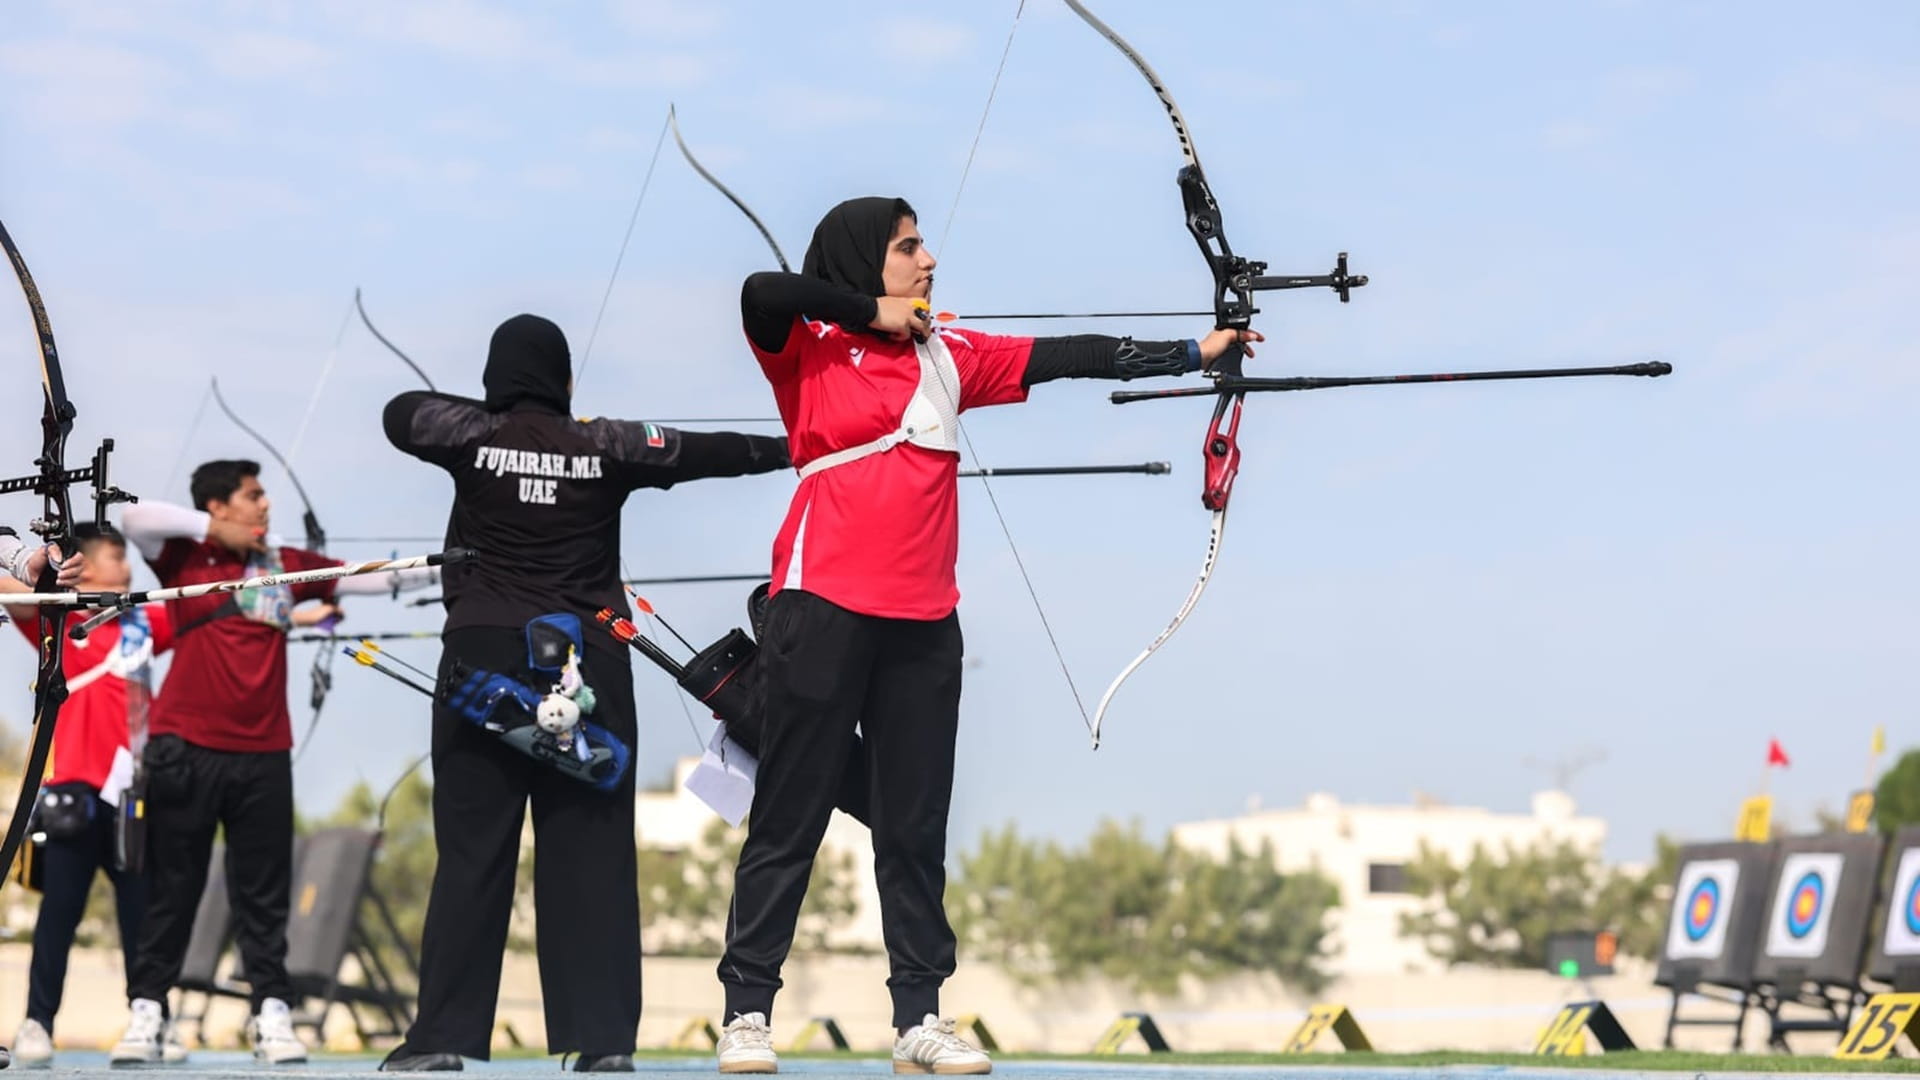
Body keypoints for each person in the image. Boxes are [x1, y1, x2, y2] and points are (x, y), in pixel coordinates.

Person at [712, 197, 1259, 1075]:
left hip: (925, 621)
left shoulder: (948, 353)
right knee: (791, 812)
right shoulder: (809, 349)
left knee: (913, 824)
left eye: (923, 245)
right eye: (908, 247)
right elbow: (760, 288)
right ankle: (746, 1012)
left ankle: (919, 1018)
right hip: (821, 606)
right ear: (866, 264)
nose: (928, 260)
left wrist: (1197, 351)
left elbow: (1073, 356)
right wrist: (868, 312)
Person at [375, 313, 790, 1073]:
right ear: (566, 381)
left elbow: (401, 413)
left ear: (498, 379)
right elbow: (714, 452)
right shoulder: (608, 444)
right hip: (589, 664)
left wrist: (496, 416)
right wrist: (802, 445)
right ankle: (602, 1046)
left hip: (483, 663)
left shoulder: (468, 435)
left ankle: (438, 1041)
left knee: (471, 854)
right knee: (591, 854)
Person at [111, 461, 440, 1065]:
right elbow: (133, 518)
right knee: (172, 889)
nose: (265, 506)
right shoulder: (186, 558)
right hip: (185, 747)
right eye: (252, 496)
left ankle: (271, 1012)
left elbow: (367, 578)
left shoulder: (284, 563)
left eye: (264, 497)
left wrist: (448, 564)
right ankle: (148, 1010)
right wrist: (217, 533)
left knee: (263, 895)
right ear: (217, 505)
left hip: (263, 753)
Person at [0, 525, 167, 1067]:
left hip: (133, 793)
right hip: (75, 791)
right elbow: (10, 591)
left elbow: (208, 608)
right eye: (117, 557)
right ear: (87, 566)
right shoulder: (59, 620)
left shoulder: (144, 620)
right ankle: (36, 1024)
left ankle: (149, 1015)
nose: (128, 568)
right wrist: (45, 569)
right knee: (60, 914)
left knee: (142, 914)